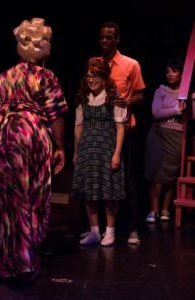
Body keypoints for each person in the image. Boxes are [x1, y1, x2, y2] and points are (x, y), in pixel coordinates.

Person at [0, 18, 68, 281]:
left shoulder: (1, 77)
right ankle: (24, 263)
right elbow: (56, 115)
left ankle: (3, 261)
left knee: (5, 196)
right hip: (29, 136)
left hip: (0, 135)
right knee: (30, 195)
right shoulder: (46, 76)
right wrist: (60, 147)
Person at [98, 22, 146, 245]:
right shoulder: (96, 65)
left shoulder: (130, 64)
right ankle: (101, 228)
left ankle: (133, 228)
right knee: (102, 178)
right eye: (102, 37)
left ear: (117, 39)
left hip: (124, 129)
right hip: (100, 130)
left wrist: (127, 101)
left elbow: (140, 95)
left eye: (109, 37)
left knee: (127, 178)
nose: (105, 41)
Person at [72, 57, 127, 246]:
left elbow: (120, 127)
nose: (91, 79)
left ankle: (110, 231)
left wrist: (117, 153)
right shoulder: (83, 97)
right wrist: (76, 152)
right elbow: (78, 126)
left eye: (95, 76)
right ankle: (94, 231)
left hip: (107, 147)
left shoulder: (113, 96)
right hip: (88, 148)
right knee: (89, 190)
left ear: (104, 77)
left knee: (108, 191)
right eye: (88, 76)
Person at [144, 58, 185, 223]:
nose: (170, 74)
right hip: (159, 134)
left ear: (182, 74)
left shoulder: (186, 94)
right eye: (167, 71)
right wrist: (176, 109)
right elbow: (156, 113)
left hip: (176, 136)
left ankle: (166, 209)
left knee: (170, 173)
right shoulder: (160, 91)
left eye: (174, 71)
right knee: (155, 172)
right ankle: (153, 210)